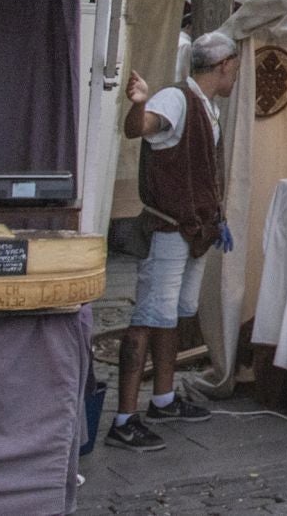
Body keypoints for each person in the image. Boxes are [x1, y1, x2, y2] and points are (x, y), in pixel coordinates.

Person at [108, 32, 240, 451]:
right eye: (234, 68)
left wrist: (215, 217)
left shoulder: (207, 106)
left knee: (171, 317)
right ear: (224, 65)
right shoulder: (176, 99)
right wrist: (139, 103)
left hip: (195, 231)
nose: (235, 75)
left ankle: (162, 399)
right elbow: (140, 129)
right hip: (168, 230)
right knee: (147, 318)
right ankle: (123, 419)